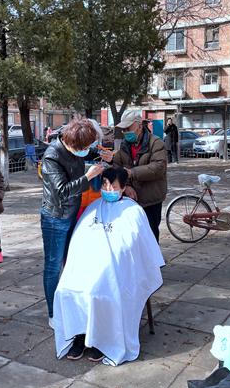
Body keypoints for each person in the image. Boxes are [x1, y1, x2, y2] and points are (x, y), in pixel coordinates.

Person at [53, 167, 164, 366]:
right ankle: (80, 334)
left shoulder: (133, 211)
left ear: (123, 189)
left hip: (116, 268)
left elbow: (134, 244)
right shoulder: (93, 207)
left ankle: (102, 339)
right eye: (105, 184)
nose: (108, 189)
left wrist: (113, 254)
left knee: (99, 291)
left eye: (113, 186)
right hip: (87, 264)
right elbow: (79, 238)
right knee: (66, 290)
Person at [40, 119, 112, 328]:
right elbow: (62, 191)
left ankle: (70, 305)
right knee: (53, 266)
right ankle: (53, 313)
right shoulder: (52, 156)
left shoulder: (77, 147)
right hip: (55, 217)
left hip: (72, 213)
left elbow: (89, 153)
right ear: (71, 143)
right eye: (84, 147)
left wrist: (104, 155)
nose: (86, 150)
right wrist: (88, 177)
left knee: (72, 261)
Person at [110, 111, 168, 243]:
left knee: (150, 236)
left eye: (128, 128)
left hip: (151, 199)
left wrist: (132, 173)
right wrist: (126, 186)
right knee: (131, 237)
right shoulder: (123, 145)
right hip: (130, 200)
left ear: (139, 127)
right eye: (123, 129)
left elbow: (158, 168)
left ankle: (152, 257)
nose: (125, 132)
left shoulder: (156, 143)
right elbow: (117, 167)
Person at [77, 119, 106, 219]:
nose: (92, 140)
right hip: (79, 202)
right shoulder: (77, 152)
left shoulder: (103, 153)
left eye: (95, 137)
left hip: (97, 203)